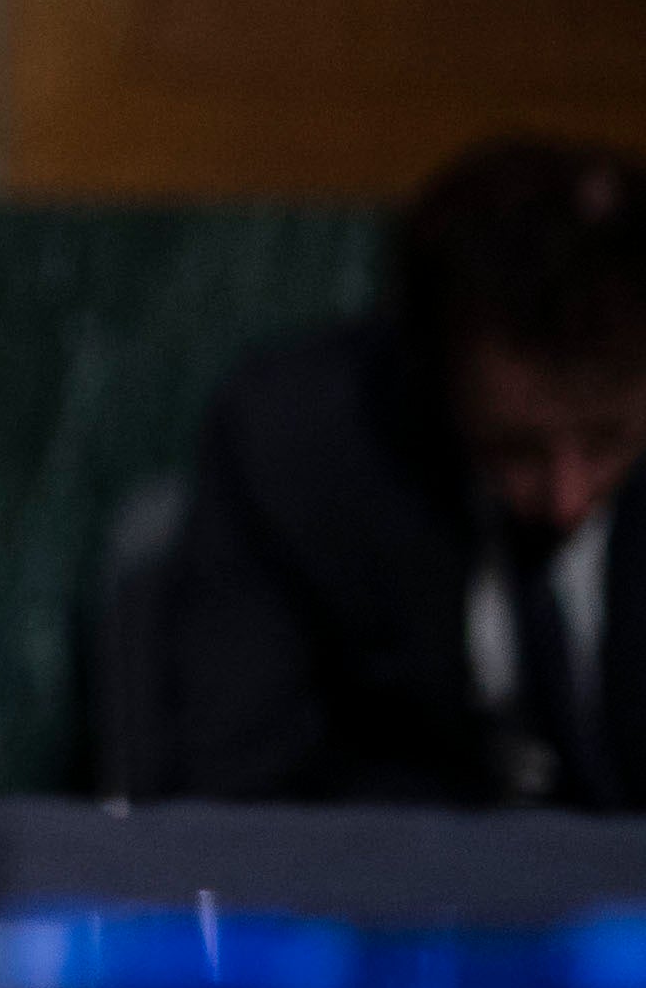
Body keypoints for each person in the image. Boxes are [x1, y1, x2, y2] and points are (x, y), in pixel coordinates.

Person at [155, 138, 646, 806]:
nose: (566, 499)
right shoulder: (298, 447)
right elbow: (243, 780)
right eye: (515, 450)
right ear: (434, 376)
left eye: (607, 440)